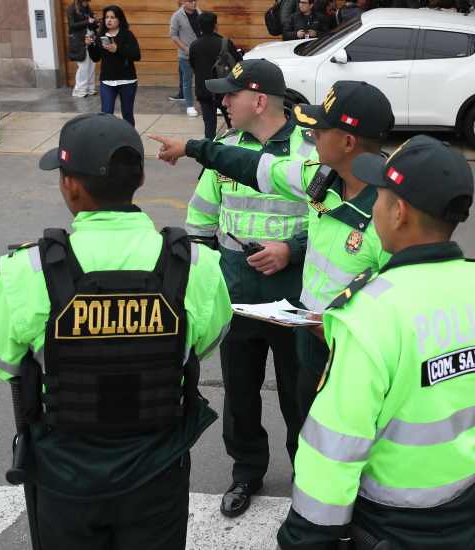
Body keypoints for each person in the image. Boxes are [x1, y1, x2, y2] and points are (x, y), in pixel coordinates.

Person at [0, 112, 233, 550]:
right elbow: (205, 341)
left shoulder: (29, 269)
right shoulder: (195, 265)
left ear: (70, 184)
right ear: (142, 177)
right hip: (158, 471)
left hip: (64, 476)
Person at [276, 135, 475, 549]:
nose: (374, 206)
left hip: (390, 519)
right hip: (470, 504)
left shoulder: (371, 313)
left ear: (398, 212)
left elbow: (335, 446)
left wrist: (304, 539)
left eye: (379, 196)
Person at [149, 80, 393, 428]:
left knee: (348, 441)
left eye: (320, 130)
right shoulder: (320, 177)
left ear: (348, 142)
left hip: (352, 354)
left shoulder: (390, 215)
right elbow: (255, 167)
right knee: (309, 434)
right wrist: (192, 148)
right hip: (311, 339)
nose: (313, 136)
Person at [181, 59, 312, 518]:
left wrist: (291, 250)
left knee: (303, 394)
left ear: (258, 100)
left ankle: (309, 477)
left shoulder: (308, 151)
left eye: (230, 95)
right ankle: (247, 472)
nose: (222, 101)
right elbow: (199, 224)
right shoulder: (223, 149)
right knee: (240, 393)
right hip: (237, 295)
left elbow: (337, 228)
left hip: (296, 298)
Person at [86, 5, 141, 127]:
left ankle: (129, 140)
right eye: (106, 17)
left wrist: (117, 49)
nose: (109, 20)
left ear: (119, 19)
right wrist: (90, 46)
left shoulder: (127, 35)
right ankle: (108, 141)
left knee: (127, 114)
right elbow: (96, 58)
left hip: (127, 81)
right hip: (107, 81)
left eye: (112, 17)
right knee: (106, 114)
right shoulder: (101, 36)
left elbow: (137, 55)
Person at [188, 11, 241, 138]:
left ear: (199, 27)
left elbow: (193, 65)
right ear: (215, 25)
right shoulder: (225, 43)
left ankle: (208, 152)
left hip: (204, 90)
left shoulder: (194, 45)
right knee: (232, 125)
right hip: (224, 90)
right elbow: (239, 63)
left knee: (209, 126)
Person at [171, 0, 202, 117]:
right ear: (183, 2)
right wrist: (185, 48)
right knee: (187, 80)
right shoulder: (177, 16)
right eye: (190, 1)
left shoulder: (199, 12)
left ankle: (210, 104)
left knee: (204, 79)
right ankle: (189, 105)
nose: (193, 3)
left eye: (195, 1)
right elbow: (173, 35)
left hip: (201, 53)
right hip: (186, 55)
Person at [67, 0, 97, 98]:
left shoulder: (87, 8)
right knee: (83, 66)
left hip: (90, 39)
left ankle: (90, 88)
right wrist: (87, 21)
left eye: (87, 2)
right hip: (79, 41)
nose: (86, 3)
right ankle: (79, 90)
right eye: (85, 1)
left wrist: (95, 22)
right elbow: (72, 25)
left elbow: (92, 25)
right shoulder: (71, 8)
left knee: (92, 65)